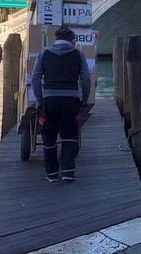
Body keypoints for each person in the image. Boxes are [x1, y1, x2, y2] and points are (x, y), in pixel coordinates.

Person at [32, 27, 91, 182]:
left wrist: (40, 100)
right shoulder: (78, 54)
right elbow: (86, 79)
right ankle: (68, 171)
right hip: (71, 101)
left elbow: (35, 79)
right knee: (70, 135)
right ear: (72, 40)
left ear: (56, 39)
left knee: (49, 137)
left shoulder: (44, 54)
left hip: (50, 101)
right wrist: (84, 100)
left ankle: (51, 174)